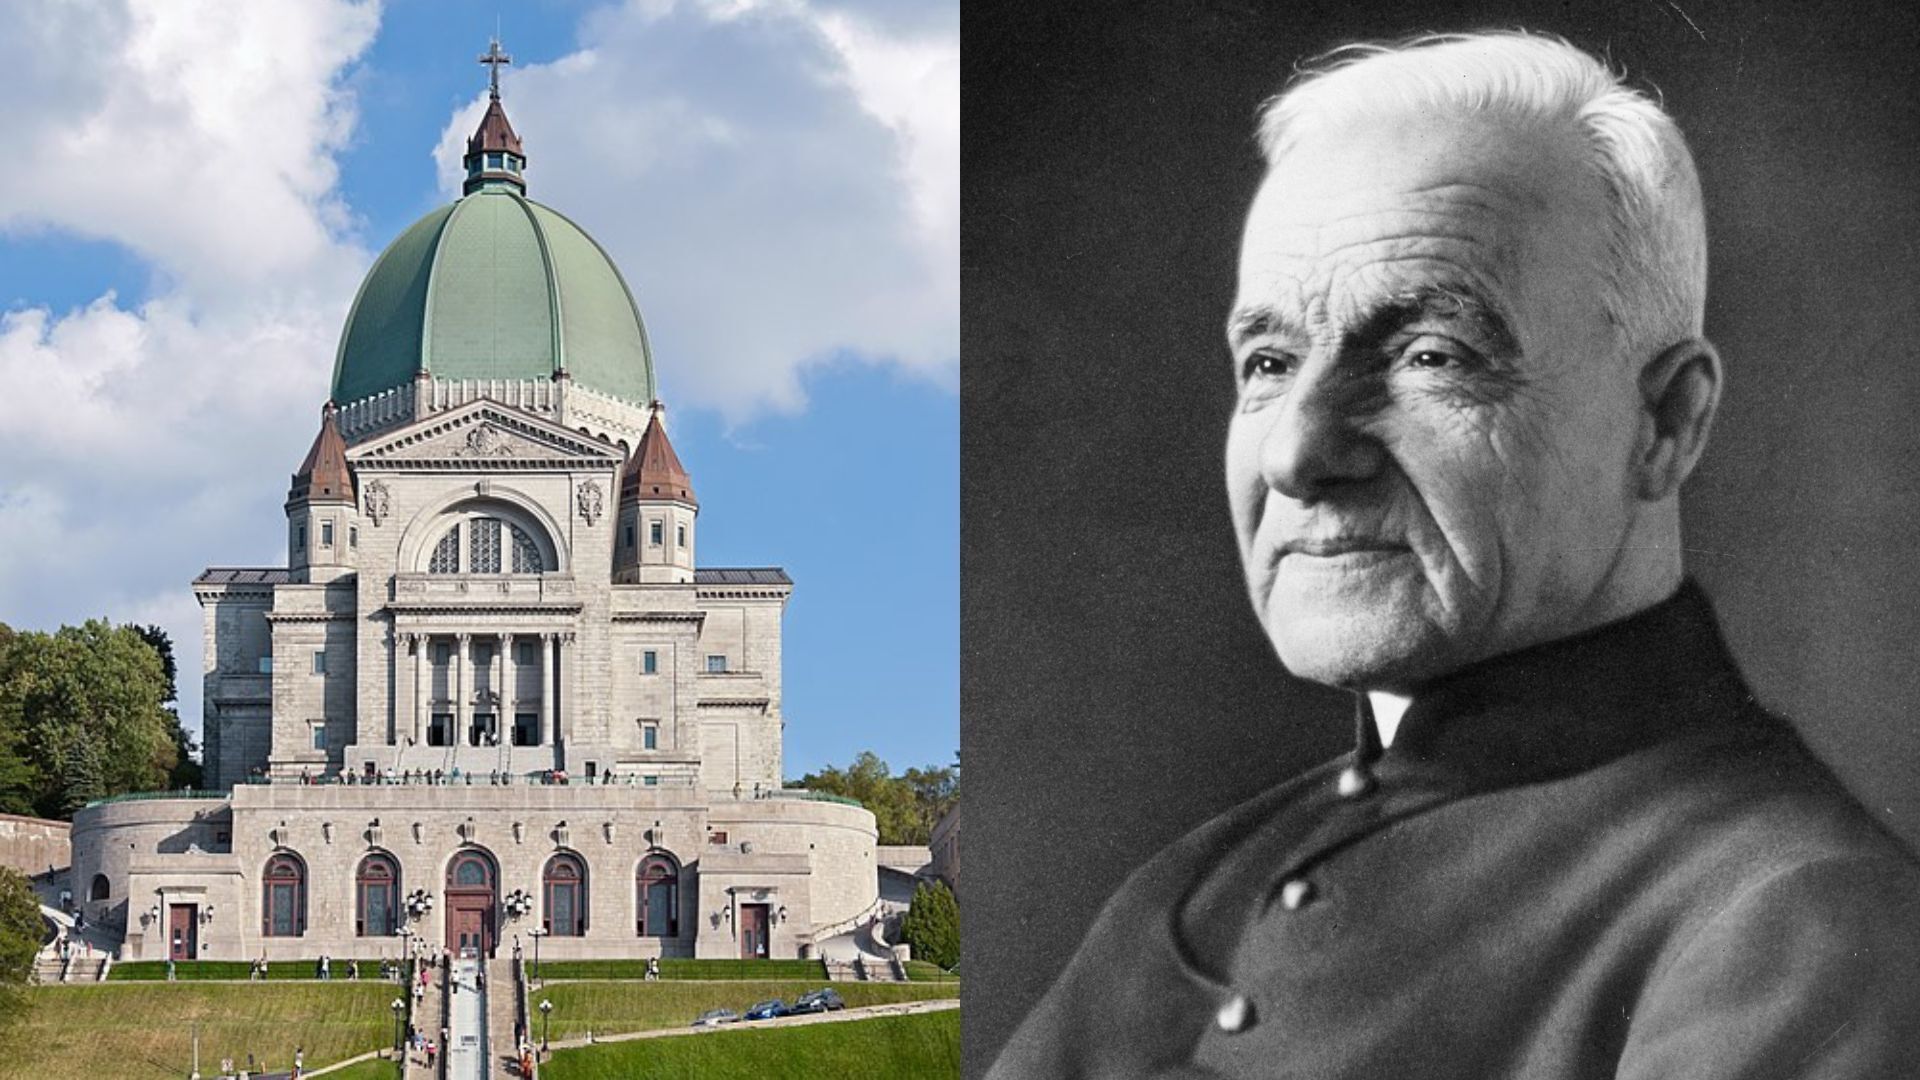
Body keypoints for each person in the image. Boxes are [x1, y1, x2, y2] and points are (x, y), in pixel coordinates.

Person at [987, 32, 1920, 1079]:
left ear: (1666, 421)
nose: (1298, 452)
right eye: (1270, 362)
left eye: (1433, 355)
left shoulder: (1794, 925)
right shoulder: (1192, 888)